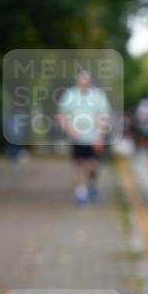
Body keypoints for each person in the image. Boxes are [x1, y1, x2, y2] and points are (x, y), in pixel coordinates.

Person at [57, 69, 112, 204]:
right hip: (77, 138)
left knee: (94, 166)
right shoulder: (70, 94)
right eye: (81, 80)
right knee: (79, 164)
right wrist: (70, 130)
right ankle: (81, 192)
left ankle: (92, 185)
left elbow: (104, 116)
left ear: (90, 81)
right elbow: (62, 114)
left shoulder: (99, 96)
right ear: (77, 81)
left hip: (94, 137)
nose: (83, 83)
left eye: (86, 80)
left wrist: (101, 136)